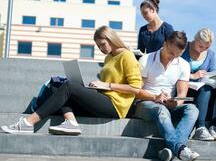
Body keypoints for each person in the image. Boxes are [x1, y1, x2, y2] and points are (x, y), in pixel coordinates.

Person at [1, 26, 142, 134]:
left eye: (102, 44)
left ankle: (27, 123)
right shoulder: (109, 58)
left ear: (111, 39)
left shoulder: (127, 56)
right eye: (98, 46)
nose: (100, 49)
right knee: (56, 86)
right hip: (102, 99)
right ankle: (71, 123)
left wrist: (107, 85)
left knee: (69, 87)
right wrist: (94, 87)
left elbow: (136, 88)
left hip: (115, 106)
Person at [134, 31, 200, 161]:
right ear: (164, 44)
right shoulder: (146, 59)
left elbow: (182, 94)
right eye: (171, 53)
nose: (173, 58)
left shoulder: (183, 64)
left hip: (167, 104)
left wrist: (176, 102)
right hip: (145, 104)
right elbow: (136, 91)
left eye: (177, 55)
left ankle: (172, 150)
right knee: (161, 110)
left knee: (193, 110)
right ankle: (181, 149)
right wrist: (155, 97)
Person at [182, 28, 216, 141]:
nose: (202, 50)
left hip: (203, 86)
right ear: (195, 40)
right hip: (186, 85)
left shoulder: (211, 54)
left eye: (206, 47)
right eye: (200, 46)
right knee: (205, 89)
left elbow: (211, 74)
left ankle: (214, 127)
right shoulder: (183, 48)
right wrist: (192, 76)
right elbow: (174, 69)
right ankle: (200, 127)